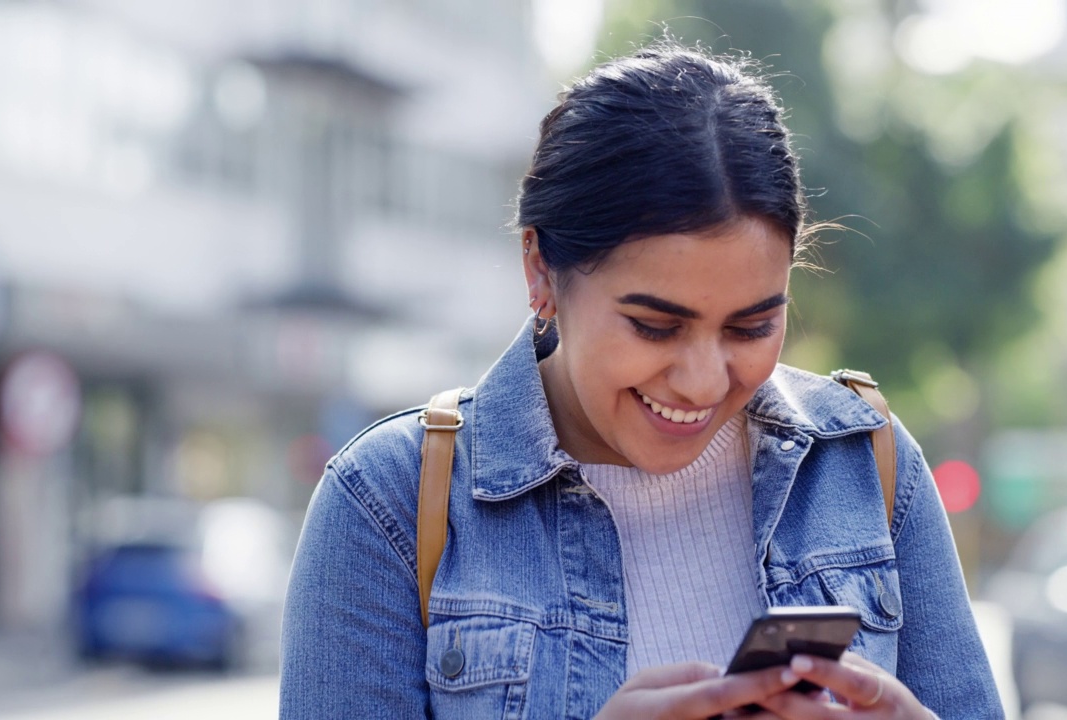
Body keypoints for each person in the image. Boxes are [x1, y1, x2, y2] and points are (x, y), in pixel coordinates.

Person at [280, 42, 1002, 719]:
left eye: (751, 327)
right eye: (656, 326)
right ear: (540, 271)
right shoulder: (386, 504)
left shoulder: (860, 461)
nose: (701, 381)